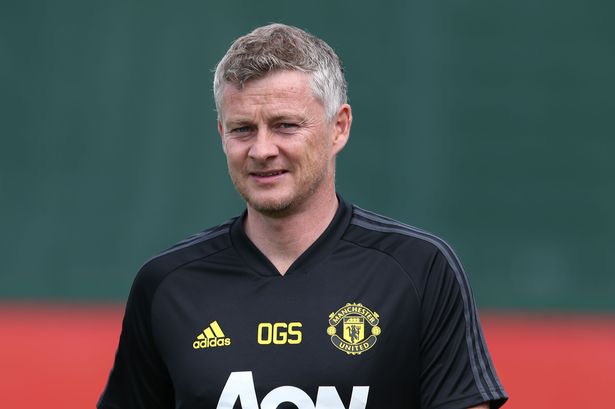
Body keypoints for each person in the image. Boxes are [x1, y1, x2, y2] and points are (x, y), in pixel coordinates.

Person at [98, 23, 508, 409]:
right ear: (221, 134)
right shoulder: (167, 284)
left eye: (285, 125)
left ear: (339, 127)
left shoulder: (419, 270)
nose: (261, 150)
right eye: (242, 129)